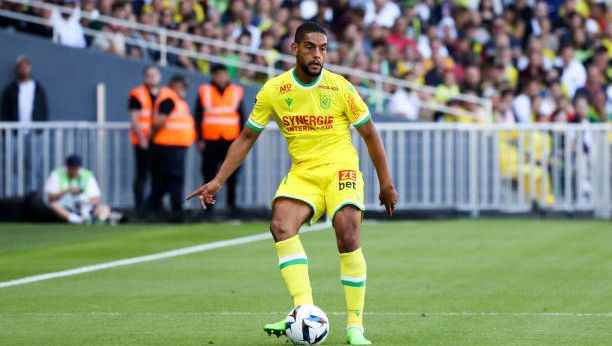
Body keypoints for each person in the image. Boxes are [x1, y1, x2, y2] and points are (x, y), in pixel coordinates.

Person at [187, 22, 398, 345]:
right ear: (294, 48)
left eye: (324, 48)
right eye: (311, 47)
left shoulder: (340, 87)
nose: (318, 55)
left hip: (341, 169)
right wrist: (217, 181)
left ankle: (355, 327)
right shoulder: (275, 90)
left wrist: (386, 184)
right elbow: (246, 137)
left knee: (347, 231)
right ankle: (303, 311)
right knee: (281, 225)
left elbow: (370, 134)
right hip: (304, 172)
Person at [194, 64, 246, 214]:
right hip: (210, 140)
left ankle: (232, 205)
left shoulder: (236, 91)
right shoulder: (205, 91)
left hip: (231, 140)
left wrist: (242, 141)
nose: (222, 77)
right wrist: (199, 139)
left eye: (224, 74)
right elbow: (198, 116)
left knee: (232, 174)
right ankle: (208, 208)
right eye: (218, 74)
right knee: (209, 174)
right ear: (213, 76)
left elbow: (241, 117)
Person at [148, 75, 196, 218]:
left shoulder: (173, 99)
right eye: (182, 86)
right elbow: (159, 121)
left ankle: (154, 207)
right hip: (169, 146)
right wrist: (152, 136)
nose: (184, 89)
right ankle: (175, 210)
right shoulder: (169, 99)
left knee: (165, 180)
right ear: (175, 85)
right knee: (173, 179)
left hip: (173, 145)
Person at [1, 55, 49, 194]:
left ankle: (31, 198)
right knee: (12, 167)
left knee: (33, 167)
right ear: (17, 69)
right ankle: (14, 197)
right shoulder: (10, 89)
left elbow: (43, 109)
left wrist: (40, 129)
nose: (23, 69)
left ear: (30, 67)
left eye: (26, 66)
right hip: (14, 134)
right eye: (20, 66)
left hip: (34, 134)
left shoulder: (38, 88)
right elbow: (4, 110)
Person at [43, 154, 115, 224]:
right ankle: (79, 220)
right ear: (67, 167)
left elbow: (96, 198)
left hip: (85, 206)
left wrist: (85, 204)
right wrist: (66, 190)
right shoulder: (56, 174)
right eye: (72, 168)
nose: (74, 170)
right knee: (54, 205)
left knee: (105, 208)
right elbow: (51, 198)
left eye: (76, 168)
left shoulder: (87, 175)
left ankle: (98, 221)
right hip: (66, 206)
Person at [128, 65, 161, 212]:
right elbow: (134, 119)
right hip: (143, 140)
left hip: (159, 140)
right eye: (149, 75)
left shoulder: (163, 94)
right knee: (142, 174)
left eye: (154, 75)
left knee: (157, 174)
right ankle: (139, 206)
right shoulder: (137, 93)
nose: (152, 78)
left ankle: (154, 204)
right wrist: (142, 138)